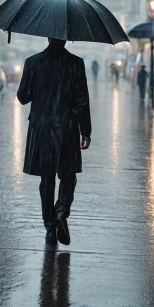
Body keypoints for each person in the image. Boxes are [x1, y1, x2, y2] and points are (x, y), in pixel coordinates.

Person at [17, 38, 91, 246]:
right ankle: (61, 211)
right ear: (65, 39)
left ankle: (50, 227)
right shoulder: (76, 63)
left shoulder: (33, 62)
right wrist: (85, 131)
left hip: (42, 129)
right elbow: (82, 100)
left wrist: (38, 88)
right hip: (67, 128)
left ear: (48, 38)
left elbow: (23, 96)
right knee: (68, 176)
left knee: (47, 179)